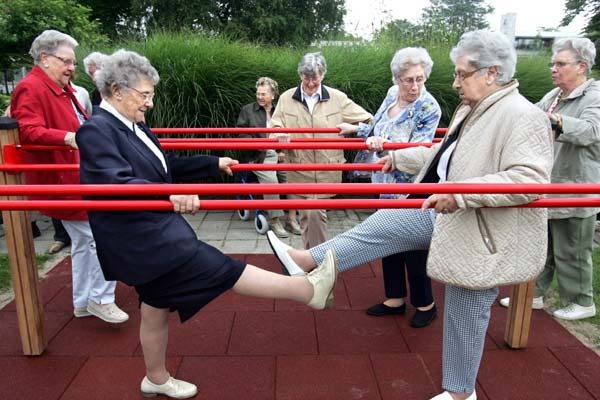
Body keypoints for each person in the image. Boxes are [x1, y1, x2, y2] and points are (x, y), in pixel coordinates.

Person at [267, 30, 553, 400]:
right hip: (452, 211)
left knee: (466, 310)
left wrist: (460, 195)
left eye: (461, 74)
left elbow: (529, 178)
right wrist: (400, 157)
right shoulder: (475, 109)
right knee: (386, 223)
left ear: (491, 73)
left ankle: (461, 393)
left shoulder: (521, 115)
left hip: (481, 227)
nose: (454, 82)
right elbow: (447, 155)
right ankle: (308, 261)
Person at [76, 49, 338, 399]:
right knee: (216, 266)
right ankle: (307, 291)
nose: (149, 104)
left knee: (155, 307)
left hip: (151, 229)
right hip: (139, 238)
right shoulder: (97, 131)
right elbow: (115, 183)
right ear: (116, 90)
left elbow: (163, 166)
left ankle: (155, 378)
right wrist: (168, 197)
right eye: (144, 95)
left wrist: (212, 163)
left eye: (151, 96)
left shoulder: (133, 125)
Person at [9, 30, 128, 324]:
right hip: (63, 181)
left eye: (72, 62)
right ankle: (101, 298)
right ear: (45, 59)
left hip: (72, 177)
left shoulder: (60, 88)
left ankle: (84, 301)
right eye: (66, 61)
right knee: (105, 234)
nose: (71, 68)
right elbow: (27, 130)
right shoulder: (32, 87)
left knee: (83, 242)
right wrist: (70, 138)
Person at [338, 47, 441, 328]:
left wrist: (384, 145)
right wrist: (357, 130)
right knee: (387, 236)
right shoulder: (391, 93)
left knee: (413, 244)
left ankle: (425, 303)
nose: (415, 86)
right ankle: (394, 298)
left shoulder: (429, 107)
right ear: (397, 78)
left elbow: (421, 149)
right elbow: (378, 126)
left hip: (410, 184)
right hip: (383, 179)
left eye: (420, 79)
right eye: (408, 79)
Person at [500, 38, 599, 320]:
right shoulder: (554, 95)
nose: (553, 69)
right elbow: (531, 115)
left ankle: (581, 301)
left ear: (581, 66)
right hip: (551, 186)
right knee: (542, 248)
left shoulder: (594, 96)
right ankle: (534, 294)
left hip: (578, 188)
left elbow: (592, 131)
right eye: (552, 64)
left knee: (572, 250)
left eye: (560, 64)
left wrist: (555, 122)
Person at [270, 52, 373, 248]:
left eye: (314, 78)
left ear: (323, 75)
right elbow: (273, 130)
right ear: (300, 75)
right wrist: (279, 136)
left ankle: (316, 261)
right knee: (310, 215)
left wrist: (355, 128)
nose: (310, 83)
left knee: (312, 214)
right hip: (299, 172)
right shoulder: (286, 98)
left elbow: (370, 119)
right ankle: (318, 261)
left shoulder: (337, 98)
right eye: (306, 78)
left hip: (328, 171)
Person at [236, 77, 297, 237]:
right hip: (258, 156)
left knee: (292, 178)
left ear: (273, 95)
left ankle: (291, 219)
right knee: (271, 181)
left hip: (280, 154)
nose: (260, 97)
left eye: (264, 94)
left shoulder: (280, 111)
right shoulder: (248, 110)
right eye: (258, 93)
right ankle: (275, 220)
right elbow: (241, 135)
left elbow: (288, 134)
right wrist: (262, 144)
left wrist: (282, 150)